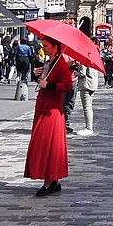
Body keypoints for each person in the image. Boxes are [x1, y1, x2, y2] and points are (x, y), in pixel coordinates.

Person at [24, 36, 73, 197]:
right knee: (45, 143)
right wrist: (40, 74)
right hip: (44, 106)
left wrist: (49, 85)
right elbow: (44, 80)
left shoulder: (60, 65)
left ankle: (48, 181)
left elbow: (67, 85)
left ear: (55, 47)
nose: (43, 47)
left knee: (47, 143)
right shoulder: (49, 63)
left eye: (46, 45)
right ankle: (54, 181)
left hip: (52, 110)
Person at [77, 39, 100, 136]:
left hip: (86, 84)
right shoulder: (95, 57)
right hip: (93, 83)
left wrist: (75, 71)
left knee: (87, 107)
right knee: (89, 106)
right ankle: (89, 126)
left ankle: (88, 127)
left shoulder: (84, 57)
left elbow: (82, 73)